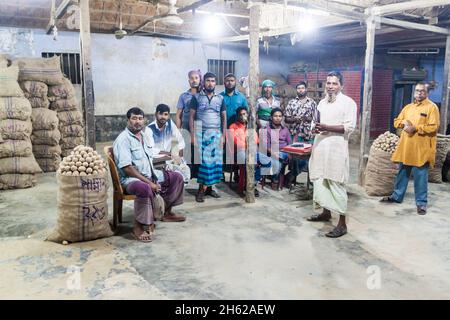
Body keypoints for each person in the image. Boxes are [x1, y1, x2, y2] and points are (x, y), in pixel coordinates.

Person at [113, 107, 186, 243]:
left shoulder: (145, 136)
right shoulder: (123, 139)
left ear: (144, 120)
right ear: (128, 120)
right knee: (145, 188)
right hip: (131, 180)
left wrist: (167, 157)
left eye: (140, 118)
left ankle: (167, 212)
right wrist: (149, 182)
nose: (137, 122)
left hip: (148, 175)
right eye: (134, 118)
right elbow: (127, 168)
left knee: (176, 177)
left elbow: (151, 156)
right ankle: (140, 226)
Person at [307, 71, 357, 238]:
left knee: (336, 183)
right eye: (328, 83)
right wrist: (314, 128)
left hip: (336, 148)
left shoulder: (348, 103)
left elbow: (349, 127)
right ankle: (325, 213)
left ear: (341, 85)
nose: (330, 86)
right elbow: (315, 122)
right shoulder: (321, 103)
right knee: (321, 180)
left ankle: (342, 224)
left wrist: (327, 127)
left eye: (334, 83)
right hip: (320, 146)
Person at [380, 82, 440, 215]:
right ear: (414, 92)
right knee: (402, 172)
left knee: (420, 176)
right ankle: (396, 196)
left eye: (422, 91)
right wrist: (403, 123)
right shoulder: (408, 107)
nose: (419, 93)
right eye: (417, 91)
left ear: (427, 93)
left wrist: (416, 128)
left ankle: (421, 203)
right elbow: (396, 121)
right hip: (406, 147)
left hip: (421, 148)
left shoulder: (432, 108)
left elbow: (434, 127)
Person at [189, 72, 227, 202]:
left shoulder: (220, 99)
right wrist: (193, 135)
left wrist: (223, 136)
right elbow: (191, 117)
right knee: (205, 163)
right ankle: (201, 189)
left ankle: (210, 188)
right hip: (201, 133)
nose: (210, 83)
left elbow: (223, 118)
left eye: (212, 81)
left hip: (216, 133)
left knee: (215, 163)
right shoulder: (197, 97)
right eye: (208, 81)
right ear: (203, 82)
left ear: (215, 83)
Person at [228, 107, 271, 197]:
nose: (243, 116)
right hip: (239, 152)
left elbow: (256, 141)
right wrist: (248, 145)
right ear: (237, 116)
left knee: (268, 162)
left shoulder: (250, 126)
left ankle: (252, 183)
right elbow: (236, 143)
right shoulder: (233, 127)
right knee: (249, 162)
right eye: (241, 114)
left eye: (244, 114)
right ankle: (245, 185)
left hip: (251, 151)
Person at [284, 81, 319, 187]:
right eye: (298, 88)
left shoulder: (312, 103)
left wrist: (310, 119)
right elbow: (286, 119)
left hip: (309, 134)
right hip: (296, 134)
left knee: (310, 157)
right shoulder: (291, 103)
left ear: (306, 89)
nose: (300, 90)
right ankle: (291, 177)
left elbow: (317, 119)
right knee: (296, 158)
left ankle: (292, 176)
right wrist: (295, 119)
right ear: (296, 90)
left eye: (302, 88)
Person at [147, 103, 190, 183]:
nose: (163, 117)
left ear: (168, 115)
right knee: (175, 175)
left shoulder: (170, 124)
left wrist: (177, 155)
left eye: (166, 114)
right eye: (160, 114)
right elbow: (150, 150)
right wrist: (168, 153)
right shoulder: (149, 129)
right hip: (156, 162)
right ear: (156, 114)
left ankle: (177, 192)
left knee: (185, 170)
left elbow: (179, 140)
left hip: (169, 159)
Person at [176, 69, 202, 178]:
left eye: (196, 78)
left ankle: (199, 175)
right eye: (192, 78)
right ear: (189, 81)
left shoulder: (204, 95)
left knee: (199, 151)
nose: (194, 80)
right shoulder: (183, 96)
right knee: (187, 151)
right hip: (186, 127)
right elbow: (178, 115)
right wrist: (178, 131)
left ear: (200, 79)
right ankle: (188, 174)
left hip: (200, 127)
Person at [260, 107, 291, 190]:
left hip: (284, 153)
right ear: (271, 117)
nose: (278, 118)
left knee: (302, 162)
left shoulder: (285, 129)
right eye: (275, 116)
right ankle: (275, 179)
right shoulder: (266, 129)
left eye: (280, 116)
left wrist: (289, 154)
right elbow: (265, 146)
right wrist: (274, 154)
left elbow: (290, 144)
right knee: (277, 159)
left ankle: (286, 178)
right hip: (271, 153)